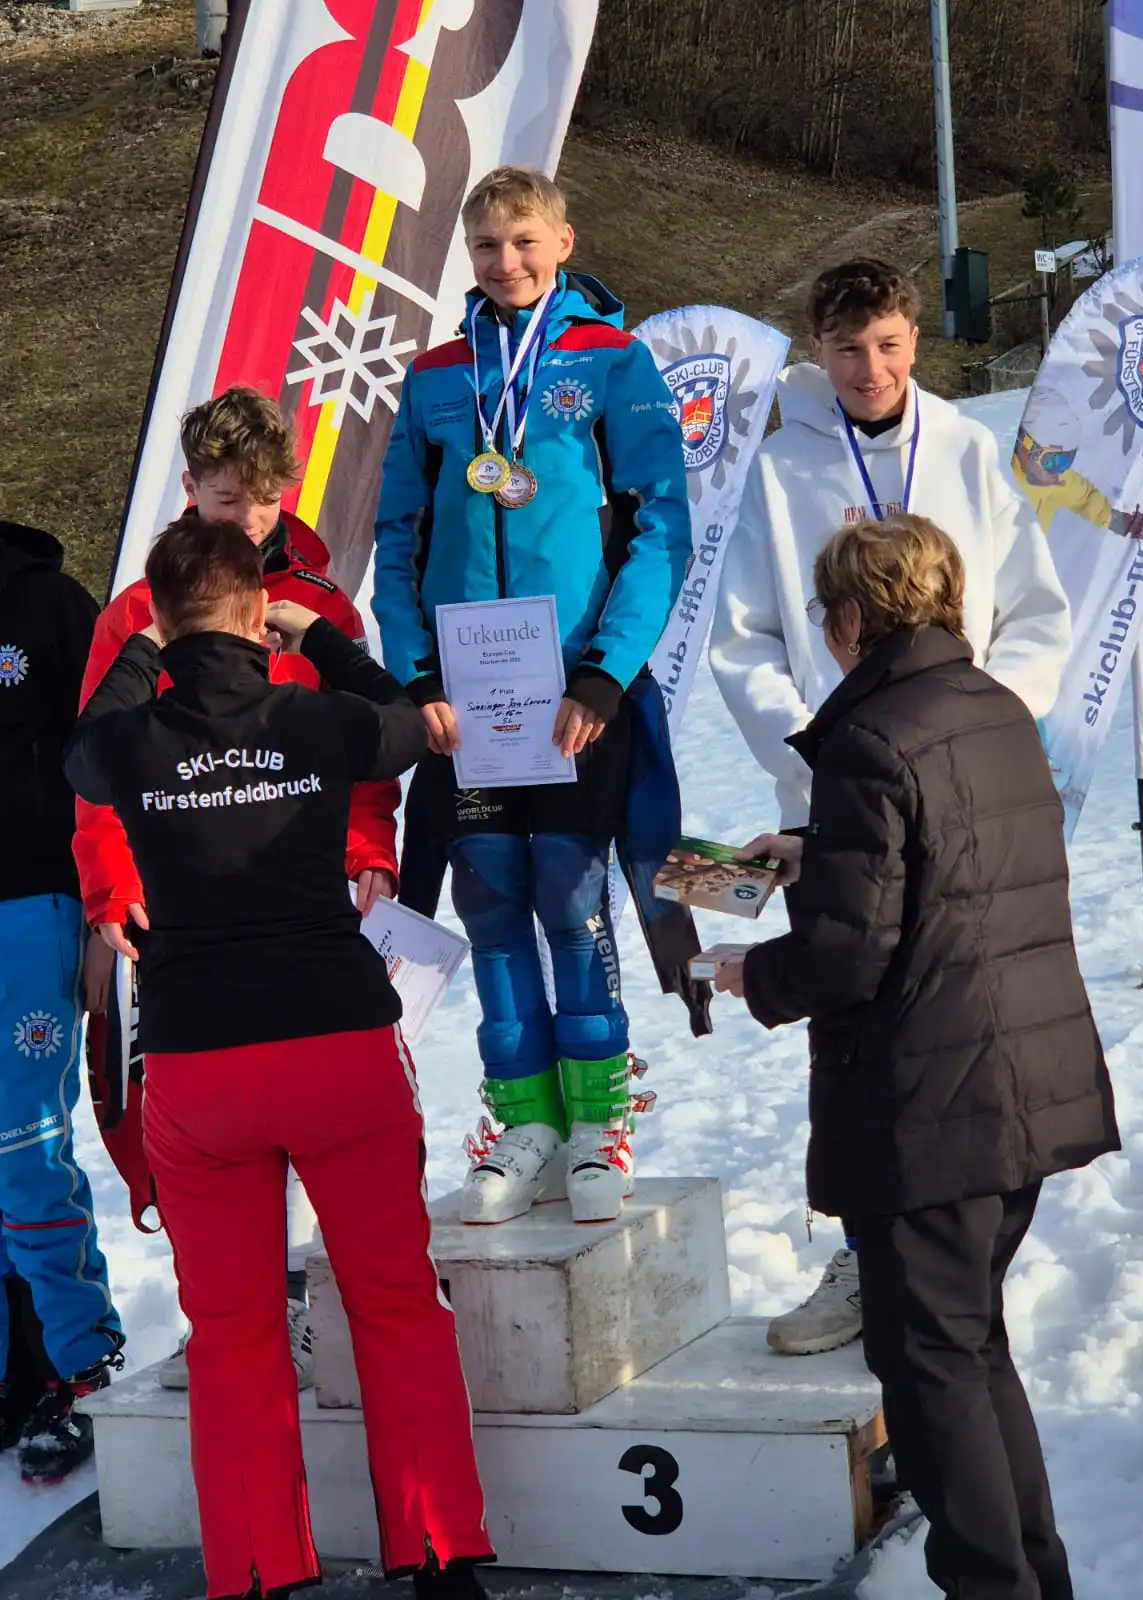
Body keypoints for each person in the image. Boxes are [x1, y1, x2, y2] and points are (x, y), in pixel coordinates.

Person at [65, 518, 491, 1600]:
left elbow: (80, 750)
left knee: (233, 1330)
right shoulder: (313, 716)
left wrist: (149, 651)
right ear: (264, 614)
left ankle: (258, 1570)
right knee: (396, 1298)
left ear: (159, 622)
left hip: (203, 1065)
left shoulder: (135, 738)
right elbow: (407, 722)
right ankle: (439, 1553)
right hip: (336, 1046)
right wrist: (323, 639)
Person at [717, 513, 1118, 1600]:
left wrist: (750, 973)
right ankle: (1035, 1580)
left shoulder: (870, 735)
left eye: (825, 616)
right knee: (973, 1351)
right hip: (1022, 1085)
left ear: (852, 618)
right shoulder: (992, 707)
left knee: (934, 1372)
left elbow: (852, 953)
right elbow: (957, 853)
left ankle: (996, 1586)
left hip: (931, 1102)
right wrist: (818, 851)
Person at [708, 257, 1073, 1355]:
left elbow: (1036, 613)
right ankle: (870, 1261)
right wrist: (822, 760)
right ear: (814, 350)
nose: (869, 368)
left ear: (915, 336)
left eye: (888, 344)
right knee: (858, 1028)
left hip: (966, 788)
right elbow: (744, 642)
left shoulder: (963, 451)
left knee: (960, 1012)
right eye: (845, 347)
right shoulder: (777, 471)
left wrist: (979, 732)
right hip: (838, 792)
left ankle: (961, 1252)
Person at [374, 165, 691, 1225]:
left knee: (567, 889)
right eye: (486, 247)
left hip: (571, 694)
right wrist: (417, 674)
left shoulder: (613, 362)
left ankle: (602, 1122)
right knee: (491, 895)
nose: (504, 262)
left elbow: (660, 526)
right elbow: (397, 539)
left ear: (562, 240)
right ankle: (526, 1123)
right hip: (467, 701)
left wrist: (607, 666)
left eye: (523, 241)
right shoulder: (435, 377)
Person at [76, 387, 400, 1388]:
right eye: (226, 502)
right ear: (190, 493)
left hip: (302, 906)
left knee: (321, 1114)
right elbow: (99, 767)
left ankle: (319, 1304)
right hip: (183, 911)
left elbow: (364, 752)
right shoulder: (142, 611)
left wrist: (367, 852)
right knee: (185, 1128)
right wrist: (110, 890)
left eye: (262, 500)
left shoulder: (323, 606)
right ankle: (223, 1312)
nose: (247, 522)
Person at [0, 520, 124, 1483]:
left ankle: (79, 1366)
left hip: (32, 910)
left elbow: (106, 766)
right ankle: (12, 1377)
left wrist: (98, 917)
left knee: (26, 1148)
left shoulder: (45, 600)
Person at [1011, 385, 1143, 537]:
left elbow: (1084, 498)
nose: (1059, 472)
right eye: (1054, 461)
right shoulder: (997, 488)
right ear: (1026, 446)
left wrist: (1120, 522)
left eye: (1066, 461)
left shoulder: (1050, 478)